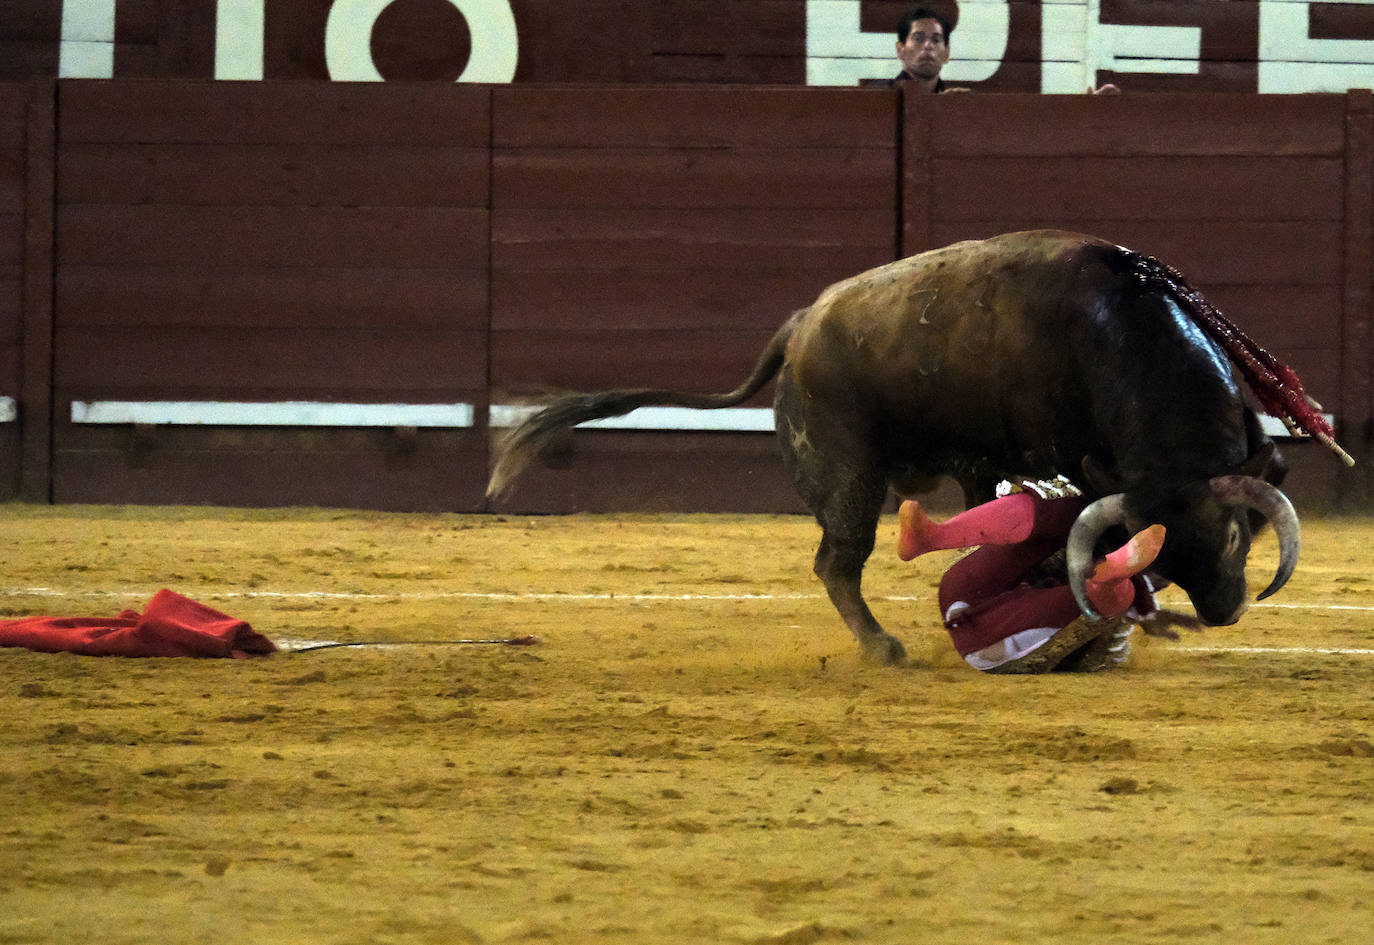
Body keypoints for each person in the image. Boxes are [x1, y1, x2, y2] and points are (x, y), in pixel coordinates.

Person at [897, 481, 1165, 673]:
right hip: (992, 640)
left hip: (972, 609)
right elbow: (1099, 658)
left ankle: (935, 536)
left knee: (1065, 506)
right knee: (1115, 593)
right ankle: (1111, 576)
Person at [891, 7, 955, 93]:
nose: (928, 46)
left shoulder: (953, 101)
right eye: (918, 39)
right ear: (900, 50)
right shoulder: (879, 99)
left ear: (947, 53)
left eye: (935, 40)